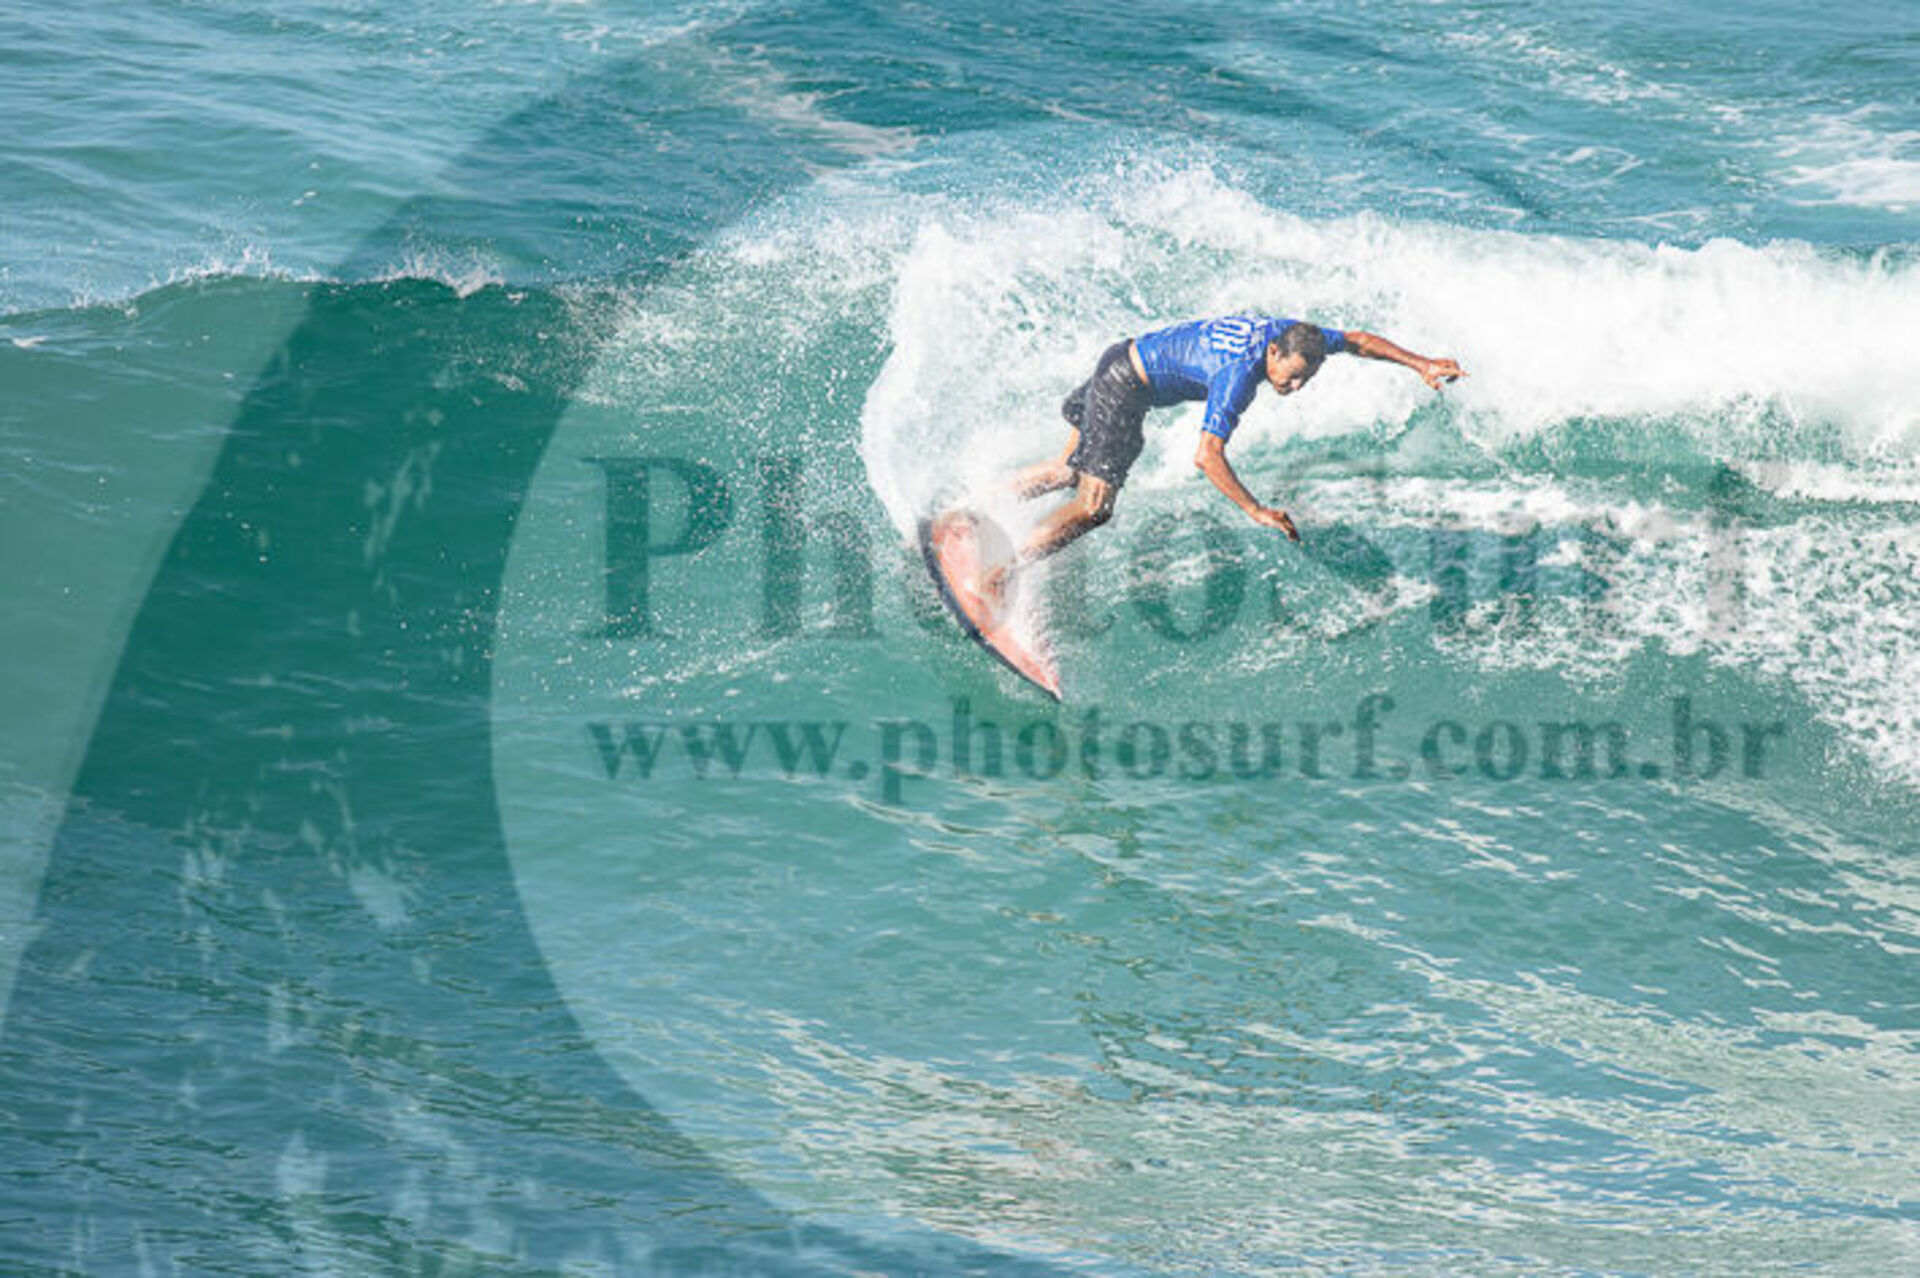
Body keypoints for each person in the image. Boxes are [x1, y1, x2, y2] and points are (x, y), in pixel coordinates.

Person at [977, 314, 1464, 600]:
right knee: (1093, 507)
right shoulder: (1238, 377)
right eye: (1291, 376)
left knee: (1068, 469)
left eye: (1305, 380)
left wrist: (1420, 364)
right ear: (1272, 353)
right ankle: (996, 575)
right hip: (1125, 385)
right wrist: (1255, 509)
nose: (1295, 387)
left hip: (1121, 358)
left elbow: (1355, 340)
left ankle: (977, 508)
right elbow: (1207, 456)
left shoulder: (1294, 335)